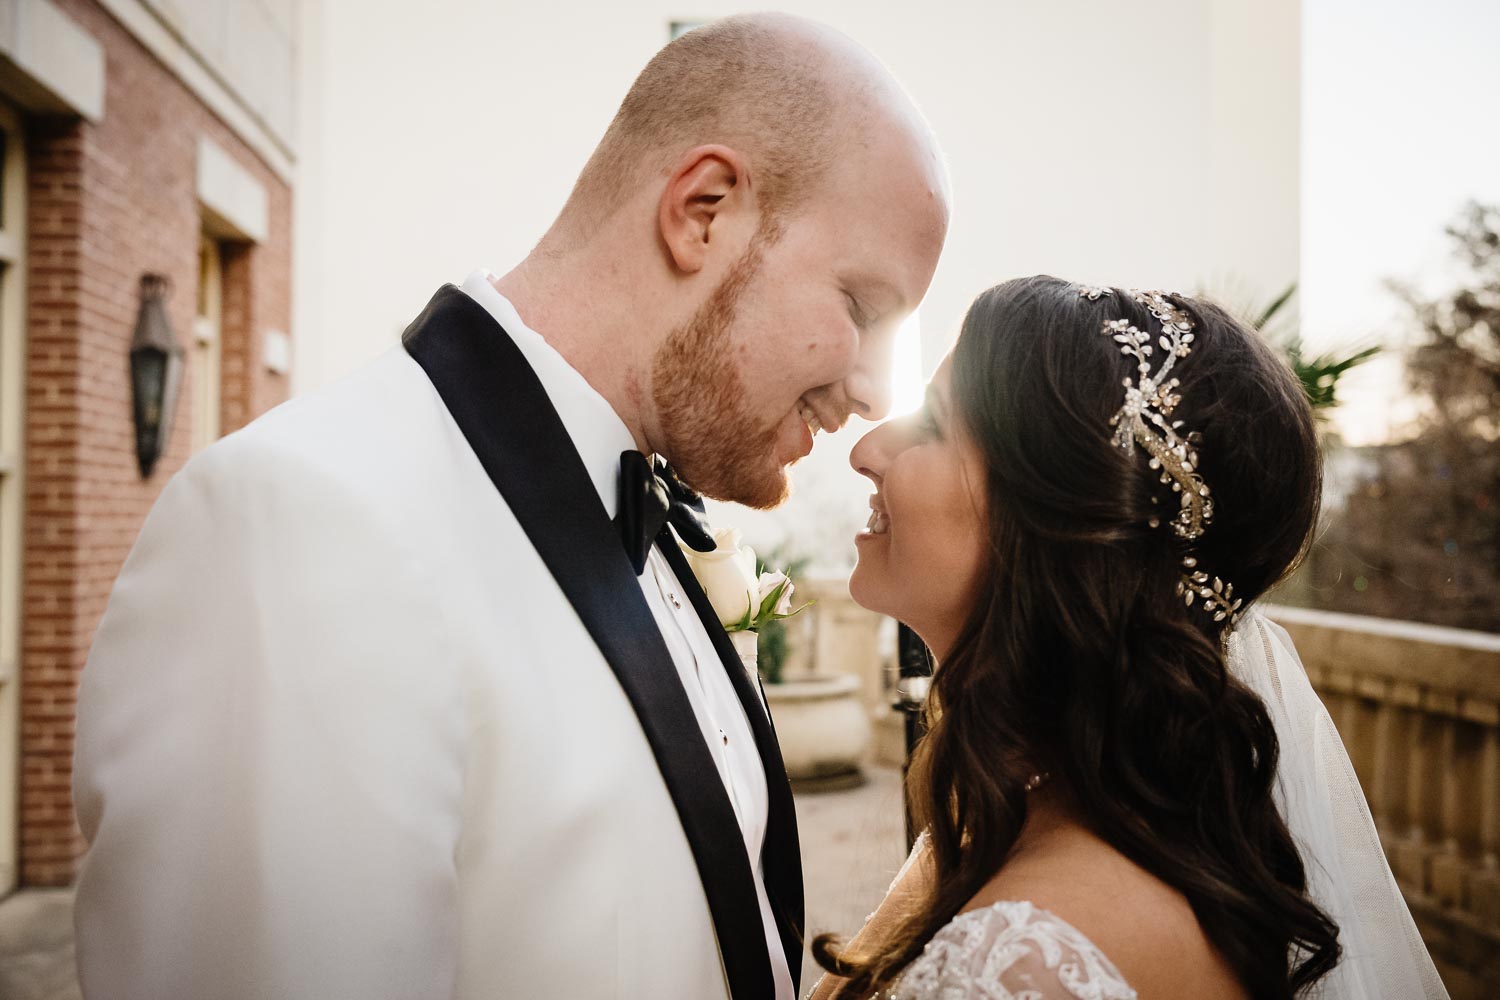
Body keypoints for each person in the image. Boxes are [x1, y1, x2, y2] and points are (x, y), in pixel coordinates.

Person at [71, 15, 948, 1000]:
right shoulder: (298, 522)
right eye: (863, 308)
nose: (875, 390)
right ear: (703, 210)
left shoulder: (653, 516)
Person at [810, 277, 1449, 999]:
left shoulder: (1020, 964)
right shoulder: (1083, 831)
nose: (867, 450)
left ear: (1060, 526)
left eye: (933, 426)